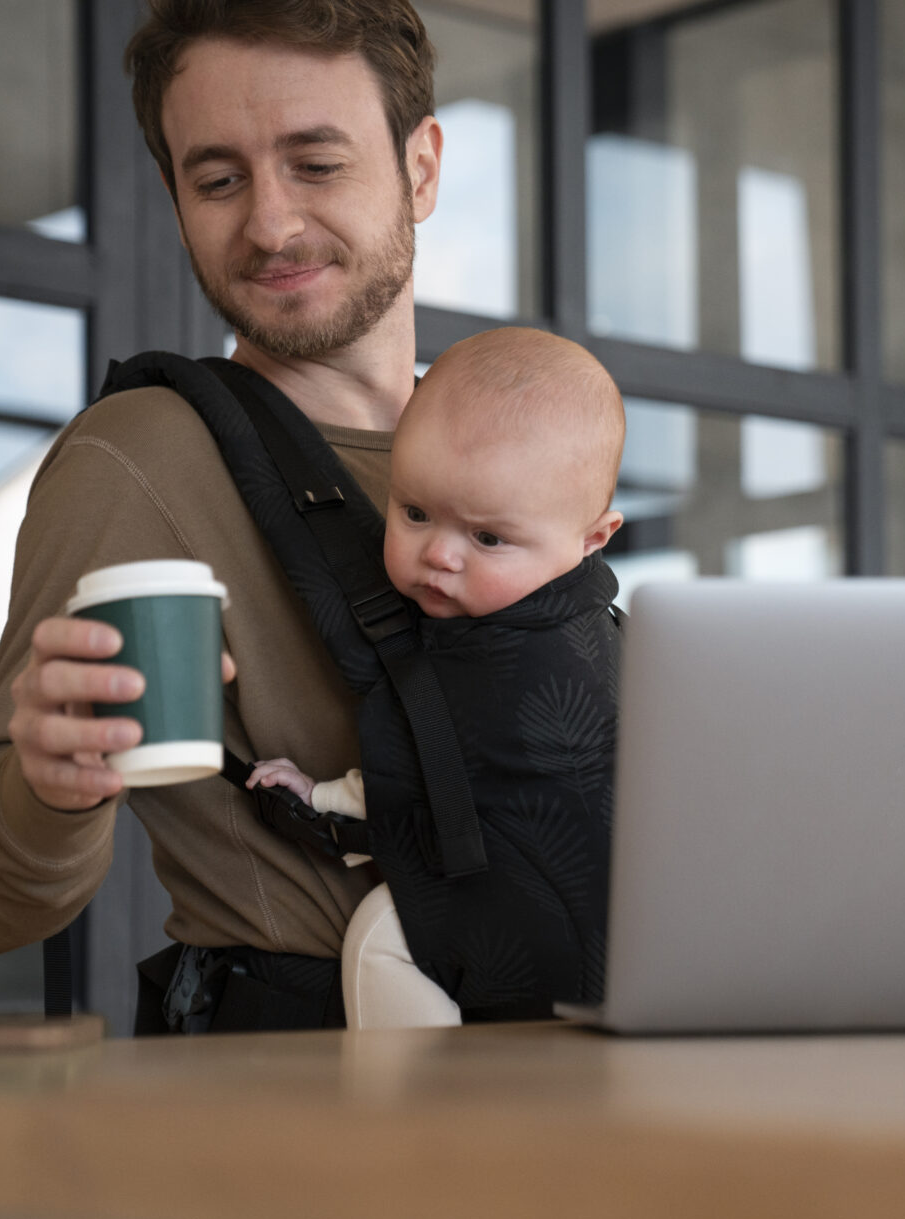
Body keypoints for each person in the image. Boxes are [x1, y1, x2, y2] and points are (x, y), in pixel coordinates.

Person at [0, 0, 452, 1033]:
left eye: (316, 162)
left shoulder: (508, 447)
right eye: (217, 179)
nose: (270, 223)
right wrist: (53, 781)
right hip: (305, 1113)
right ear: (174, 199)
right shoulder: (143, 457)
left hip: (564, 1083)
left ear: (421, 169)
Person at [245, 326, 625, 1029]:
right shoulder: (615, 637)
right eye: (414, 512)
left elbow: (421, 769)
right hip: (620, 935)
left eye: (487, 538)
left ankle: (416, 1108)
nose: (440, 555)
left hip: (528, 923)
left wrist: (319, 795)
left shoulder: (484, 653)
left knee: (381, 937)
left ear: (591, 539)